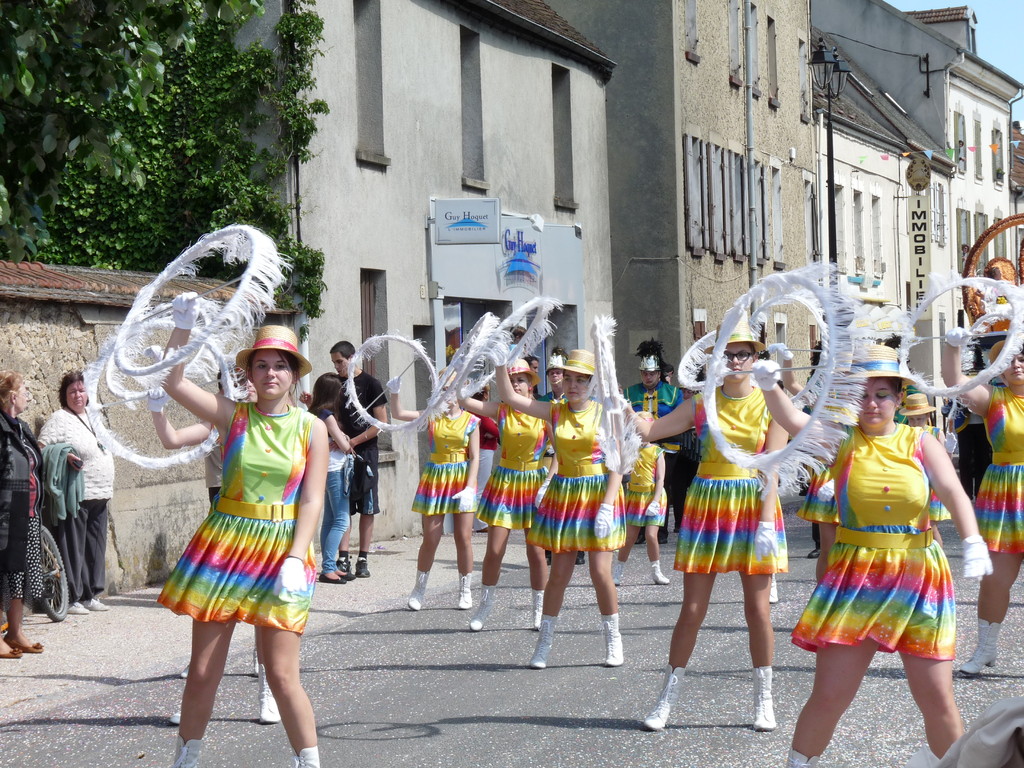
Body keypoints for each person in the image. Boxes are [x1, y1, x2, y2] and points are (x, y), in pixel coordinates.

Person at [757, 344, 991, 767]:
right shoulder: (842, 439)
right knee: (829, 695)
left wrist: (972, 539)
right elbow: (792, 420)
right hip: (857, 578)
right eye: (862, 395)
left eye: (882, 394)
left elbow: (952, 490)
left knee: (938, 697)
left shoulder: (921, 441)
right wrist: (771, 385)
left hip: (920, 579)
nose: (871, 403)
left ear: (899, 398)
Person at [157, 308, 328, 768]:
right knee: (202, 671)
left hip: (283, 551)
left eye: (280, 365)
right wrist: (182, 326)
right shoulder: (232, 415)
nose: (271, 373)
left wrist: (296, 557)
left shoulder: (311, 427)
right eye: (262, 365)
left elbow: (313, 500)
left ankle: (309, 763)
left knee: (282, 675)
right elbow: (172, 381)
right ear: (249, 373)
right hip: (227, 547)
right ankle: (185, 760)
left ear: (293, 374)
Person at [637, 320, 787, 734]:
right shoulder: (702, 403)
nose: (736, 361)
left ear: (756, 358)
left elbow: (772, 468)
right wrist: (622, 412)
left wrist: (766, 522)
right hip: (707, 504)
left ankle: (764, 700)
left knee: (758, 610)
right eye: (728, 354)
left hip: (753, 504)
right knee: (692, 609)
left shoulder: (771, 401)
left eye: (744, 354)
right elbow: (651, 430)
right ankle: (666, 699)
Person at [148, 380, 281, 727]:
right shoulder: (228, 417)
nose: (248, 385)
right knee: (215, 608)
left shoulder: (291, 419)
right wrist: (157, 410)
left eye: (250, 378)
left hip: (272, 528)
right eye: (240, 380)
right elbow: (172, 440)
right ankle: (197, 696)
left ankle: (266, 693)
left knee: (264, 615)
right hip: (230, 523)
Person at [495, 349, 625, 669]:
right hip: (566, 494)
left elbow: (618, 463)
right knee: (559, 575)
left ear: (592, 384)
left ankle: (613, 639)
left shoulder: (605, 413)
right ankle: (544, 643)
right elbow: (510, 398)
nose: (574, 385)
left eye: (581, 380)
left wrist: (607, 505)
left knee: (600, 573)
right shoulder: (554, 411)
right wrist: (499, 362)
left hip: (598, 494)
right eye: (568, 378)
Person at [942, 331, 1024, 678]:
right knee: (995, 580)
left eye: (1023, 358)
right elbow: (953, 379)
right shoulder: (993, 398)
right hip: (1005, 496)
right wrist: (952, 346)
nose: (1017, 364)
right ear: (999, 368)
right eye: (1010, 360)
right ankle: (986, 648)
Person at [458, 360, 551, 631]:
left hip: (534, 482)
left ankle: (539, 609)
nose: (516, 385)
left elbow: (559, 451)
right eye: (511, 381)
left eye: (521, 380)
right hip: (506, 482)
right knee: (495, 550)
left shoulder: (544, 412)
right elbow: (463, 401)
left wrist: (548, 482)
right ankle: (485, 606)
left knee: (536, 552)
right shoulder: (501, 410)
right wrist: (462, 372)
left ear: (531, 384)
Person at [390, 375, 480, 611]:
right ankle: (419, 589)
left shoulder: (472, 420)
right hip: (436, 477)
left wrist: (470, 487)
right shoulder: (432, 415)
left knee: (464, 537)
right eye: (443, 388)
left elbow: (475, 457)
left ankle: (465, 589)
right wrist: (395, 392)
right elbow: (399, 413)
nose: (447, 393)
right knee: (431, 537)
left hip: (461, 477)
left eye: (452, 388)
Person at [38, 370, 116, 616]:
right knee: (73, 546)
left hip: (101, 491)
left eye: (81, 390)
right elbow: (41, 449)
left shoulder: (94, 416)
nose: (78, 395)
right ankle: (72, 597)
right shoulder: (59, 418)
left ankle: (91, 594)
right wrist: (65, 455)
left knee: (95, 545)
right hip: (76, 493)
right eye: (72, 391)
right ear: (65, 395)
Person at [331, 341, 387, 580]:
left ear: (352, 357)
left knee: (367, 506)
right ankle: (343, 556)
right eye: (334, 363)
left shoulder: (371, 384)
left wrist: (354, 441)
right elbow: (330, 415)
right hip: (342, 453)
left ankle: (363, 557)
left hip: (366, 453)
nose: (337, 367)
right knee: (343, 505)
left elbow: (380, 423)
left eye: (340, 361)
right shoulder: (336, 384)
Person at [0, 371, 45, 659]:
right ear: (12, 396)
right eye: (25, 390)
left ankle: (15, 631)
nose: (29, 395)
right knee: (1, 573)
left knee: (19, 574)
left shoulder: (22, 427)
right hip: (5, 513)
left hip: (27, 512)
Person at [624, 339, 684, 546]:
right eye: (644, 373)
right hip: (639, 449)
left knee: (662, 485)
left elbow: (679, 419)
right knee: (639, 485)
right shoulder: (630, 392)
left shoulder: (674, 393)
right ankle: (639, 530)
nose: (647, 377)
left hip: (667, 448)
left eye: (651, 373)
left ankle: (660, 530)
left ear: (659, 373)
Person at [304, 374, 353, 584]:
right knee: (342, 520)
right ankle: (329, 568)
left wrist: (340, 440)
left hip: (323, 470)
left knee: (330, 520)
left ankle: (328, 565)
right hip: (335, 469)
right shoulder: (327, 415)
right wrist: (345, 440)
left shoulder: (312, 413)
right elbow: (345, 446)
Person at [613, 412, 671, 586]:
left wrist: (655, 501)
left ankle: (656, 571)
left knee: (651, 535)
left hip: (654, 496)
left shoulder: (657, 451)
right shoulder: (630, 449)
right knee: (629, 538)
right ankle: (617, 571)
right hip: (635, 496)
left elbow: (660, 478)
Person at [900, 392, 950, 547]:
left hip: (931, 485)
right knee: (912, 527)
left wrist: (949, 449)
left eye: (919, 419)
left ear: (927, 416)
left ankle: (940, 557)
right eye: (912, 419)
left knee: (931, 527)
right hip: (911, 484)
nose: (915, 423)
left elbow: (945, 462)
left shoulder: (935, 433)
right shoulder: (903, 433)